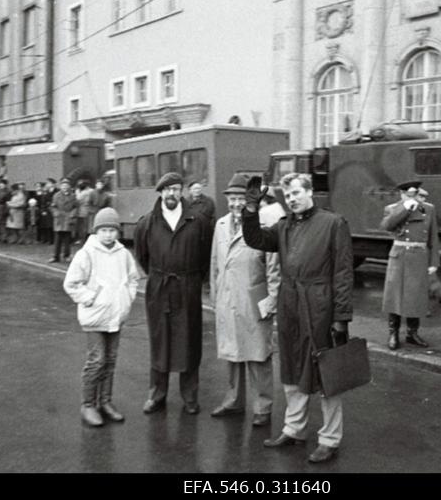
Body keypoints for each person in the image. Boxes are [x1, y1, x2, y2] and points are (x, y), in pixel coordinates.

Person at [241, 173, 353, 464]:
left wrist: (341, 317)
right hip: (290, 304)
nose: (291, 199)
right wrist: (251, 209)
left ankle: (330, 438)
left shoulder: (333, 223)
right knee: (291, 367)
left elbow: (342, 273)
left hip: (320, 307)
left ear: (309, 192)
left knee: (327, 372)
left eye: (295, 193)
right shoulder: (284, 226)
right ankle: (294, 429)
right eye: (287, 195)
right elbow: (254, 239)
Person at [134, 172, 213, 415]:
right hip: (159, 288)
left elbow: (205, 255)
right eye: (167, 189)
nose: (172, 194)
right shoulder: (147, 222)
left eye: (176, 189)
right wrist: (160, 276)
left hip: (188, 287)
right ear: (160, 192)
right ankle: (157, 395)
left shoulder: (197, 220)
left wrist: (192, 280)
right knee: (161, 341)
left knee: (189, 341)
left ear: (182, 192)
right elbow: (142, 257)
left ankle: (190, 397)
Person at [209, 173, 280, 427]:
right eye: (232, 198)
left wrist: (271, 300)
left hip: (253, 299)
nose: (237, 204)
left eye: (241, 198)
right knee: (232, 353)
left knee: (258, 355)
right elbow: (216, 264)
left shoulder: (263, 224)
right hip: (227, 298)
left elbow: (273, 268)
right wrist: (215, 295)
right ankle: (233, 401)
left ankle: (263, 407)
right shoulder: (220, 225)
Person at [63, 207, 141, 426]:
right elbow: (71, 283)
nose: (108, 235)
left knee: (110, 360)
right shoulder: (86, 254)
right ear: (96, 231)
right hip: (95, 316)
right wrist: (90, 298)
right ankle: (88, 405)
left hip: (116, 316)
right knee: (96, 361)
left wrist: (127, 297)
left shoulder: (123, 254)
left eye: (112, 230)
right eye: (104, 230)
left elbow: (133, 278)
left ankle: (105, 401)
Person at [379, 180, 439, 350]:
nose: (414, 197)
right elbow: (387, 225)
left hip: (418, 256)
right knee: (395, 297)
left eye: (415, 193)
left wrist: (434, 261)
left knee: (416, 297)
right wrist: (406, 208)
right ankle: (393, 333)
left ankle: (412, 333)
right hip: (399, 256)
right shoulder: (393, 208)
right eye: (409, 194)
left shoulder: (428, 209)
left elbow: (433, 236)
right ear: (403, 194)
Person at [50, 178, 78, 263]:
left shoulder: (73, 196)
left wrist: (72, 214)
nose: (65, 187)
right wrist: (56, 213)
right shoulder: (56, 195)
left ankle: (67, 255)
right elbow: (53, 206)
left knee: (67, 239)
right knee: (57, 239)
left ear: (69, 186)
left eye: (66, 185)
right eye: (63, 186)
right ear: (60, 187)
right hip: (59, 219)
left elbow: (75, 207)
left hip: (68, 218)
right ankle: (56, 256)